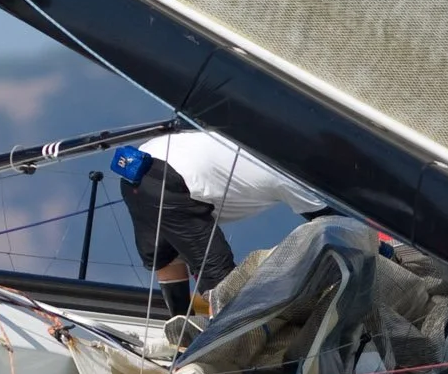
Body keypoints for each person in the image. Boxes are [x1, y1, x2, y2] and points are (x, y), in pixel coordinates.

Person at [116, 129, 329, 314]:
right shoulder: (293, 175)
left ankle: (180, 328)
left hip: (135, 166)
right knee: (218, 275)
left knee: (166, 252)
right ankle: (214, 344)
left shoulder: (255, 138)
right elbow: (334, 223)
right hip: (176, 180)